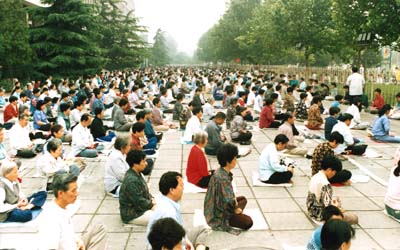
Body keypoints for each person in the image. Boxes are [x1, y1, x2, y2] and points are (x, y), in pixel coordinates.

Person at [39, 173, 107, 249]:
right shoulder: (50, 218)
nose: (76, 194)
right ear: (61, 193)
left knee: (99, 228)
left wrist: (78, 241)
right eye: (73, 191)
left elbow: (68, 234)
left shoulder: (64, 208)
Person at [147, 172, 209, 250]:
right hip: (165, 245)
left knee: (201, 229)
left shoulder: (164, 202)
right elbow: (172, 243)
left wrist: (186, 241)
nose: (183, 188)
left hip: (167, 243)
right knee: (202, 231)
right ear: (172, 190)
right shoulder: (169, 213)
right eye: (181, 185)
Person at [204, 143, 253, 234]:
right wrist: (235, 209)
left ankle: (237, 213)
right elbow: (227, 201)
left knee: (243, 199)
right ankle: (235, 215)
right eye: (234, 158)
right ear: (228, 161)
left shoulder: (220, 171)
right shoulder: (223, 178)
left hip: (216, 207)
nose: (236, 161)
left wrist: (235, 203)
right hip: (219, 215)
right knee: (248, 222)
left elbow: (227, 198)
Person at [307, 155, 358, 225]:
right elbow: (328, 208)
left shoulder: (315, 176)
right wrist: (337, 207)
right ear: (329, 170)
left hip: (311, 210)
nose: (335, 174)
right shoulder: (325, 184)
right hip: (320, 216)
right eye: (335, 172)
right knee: (354, 218)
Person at [119, 150, 156, 225]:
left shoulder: (137, 173)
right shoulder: (131, 181)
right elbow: (139, 201)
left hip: (141, 206)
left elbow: (144, 191)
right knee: (160, 217)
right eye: (143, 161)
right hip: (132, 214)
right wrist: (152, 205)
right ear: (135, 164)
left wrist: (152, 199)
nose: (146, 164)